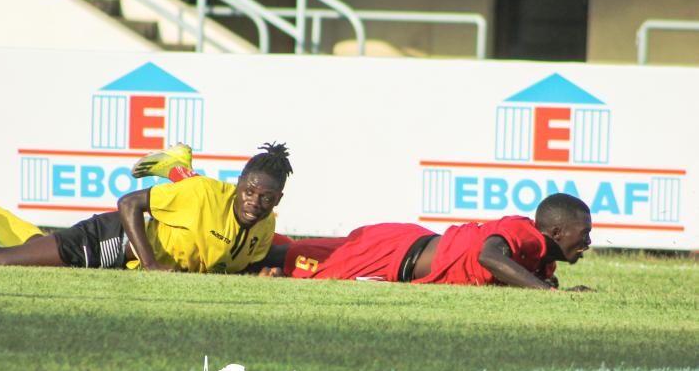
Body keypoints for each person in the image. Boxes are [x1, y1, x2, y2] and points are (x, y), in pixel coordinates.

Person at [133, 145, 592, 290]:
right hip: (392, 257)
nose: (587, 242)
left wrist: (551, 287)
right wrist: (544, 293)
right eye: (582, 234)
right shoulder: (524, 236)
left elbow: (517, 273)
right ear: (555, 231)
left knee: (290, 252)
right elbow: (491, 256)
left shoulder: (541, 256)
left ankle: (182, 171)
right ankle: (182, 174)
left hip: (402, 244)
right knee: (290, 263)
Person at [0, 142, 293, 273]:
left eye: (267, 197)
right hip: (114, 241)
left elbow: (229, 263)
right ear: (238, 184)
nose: (256, 202)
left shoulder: (264, 229)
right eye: (251, 191)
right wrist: (148, 262)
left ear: (277, 201)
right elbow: (129, 202)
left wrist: (261, 274)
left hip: (124, 256)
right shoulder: (203, 194)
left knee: (40, 246)